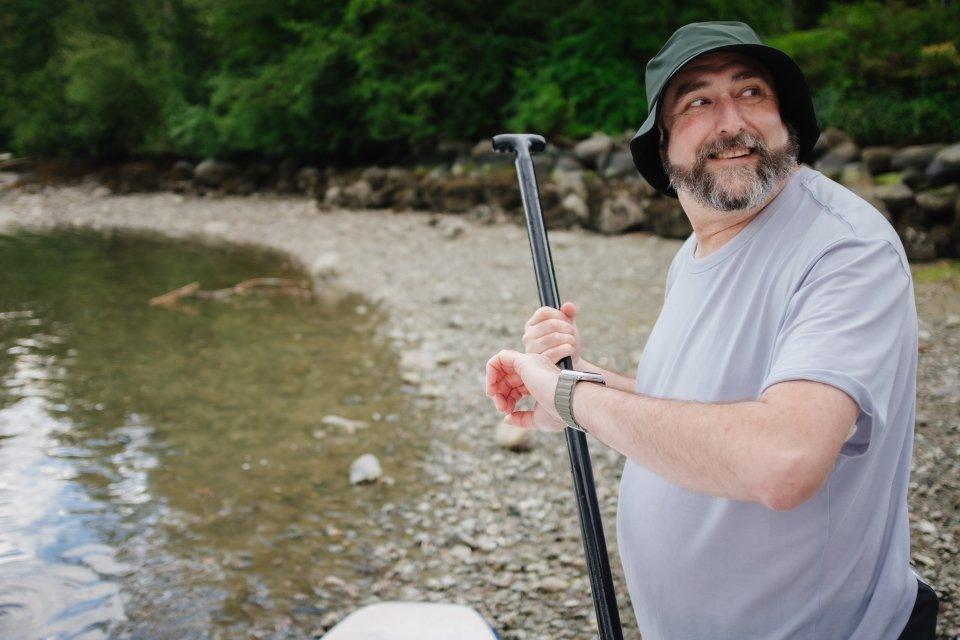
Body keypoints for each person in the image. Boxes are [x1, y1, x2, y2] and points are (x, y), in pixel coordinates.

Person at [484, 21, 939, 640]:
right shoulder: (695, 252)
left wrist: (576, 398)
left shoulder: (844, 248)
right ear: (663, 144)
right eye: (698, 100)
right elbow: (708, 398)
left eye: (751, 92)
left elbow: (784, 458)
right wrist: (576, 389)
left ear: (786, 119)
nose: (732, 122)